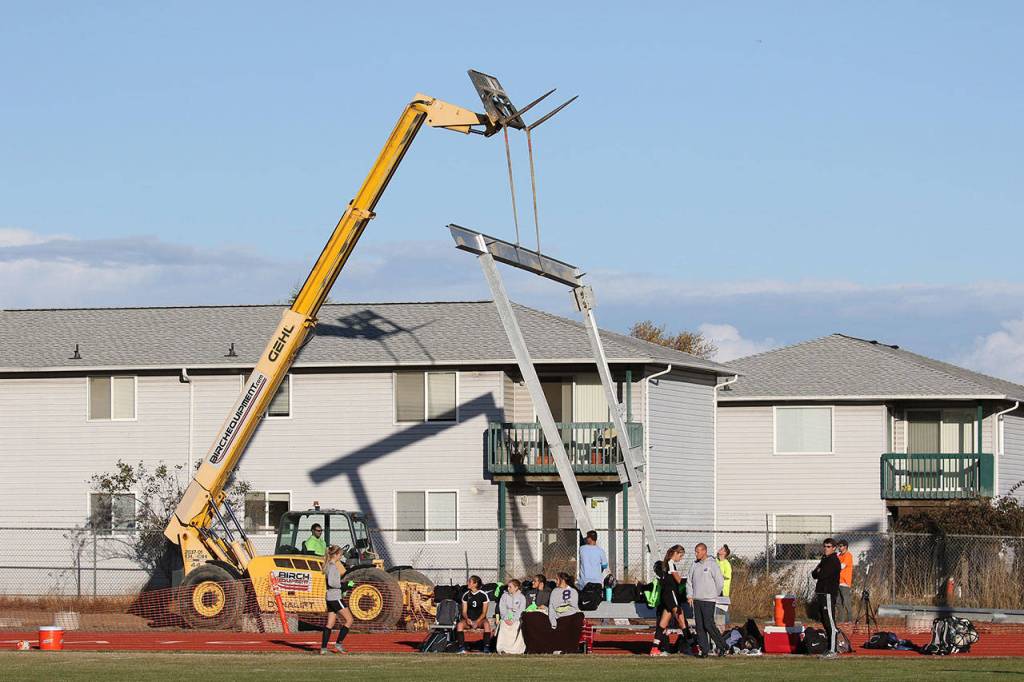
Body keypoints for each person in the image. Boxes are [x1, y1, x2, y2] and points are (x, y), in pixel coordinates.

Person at [686, 543, 728, 658]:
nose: (696, 554)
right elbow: (689, 581)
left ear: (704, 551)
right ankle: (704, 651)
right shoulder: (694, 565)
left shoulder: (712, 564)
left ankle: (722, 646)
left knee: (708, 624)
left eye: (698, 551)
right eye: (695, 551)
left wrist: (714, 594)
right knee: (699, 626)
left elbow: (719, 582)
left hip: (709, 600)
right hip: (697, 599)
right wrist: (690, 595)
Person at [650, 544, 688, 656]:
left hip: (666, 597)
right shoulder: (670, 564)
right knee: (681, 620)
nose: (680, 559)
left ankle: (654, 648)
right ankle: (693, 646)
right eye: (680, 556)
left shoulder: (666, 564)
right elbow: (679, 580)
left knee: (663, 623)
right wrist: (691, 579)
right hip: (671, 596)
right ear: (675, 553)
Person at [811, 537, 842, 659]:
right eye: (824, 546)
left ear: (834, 548)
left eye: (828, 546)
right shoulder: (825, 559)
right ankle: (829, 647)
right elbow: (814, 574)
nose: (826, 548)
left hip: (828, 593)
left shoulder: (833, 560)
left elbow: (822, 574)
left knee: (830, 622)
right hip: (821, 593)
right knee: (824, 621)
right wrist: (818, 571)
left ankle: (833, 650)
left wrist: (819, 571)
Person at [319, 544, 353, 654]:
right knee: (349, 620)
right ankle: (338, 644)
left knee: (330, 624)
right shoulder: (333, 566)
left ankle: (323, 649)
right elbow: (332, 583)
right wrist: (346, 585)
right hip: (335, 597)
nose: (341, 557)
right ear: (336, 555)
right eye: (340, 555)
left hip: (330, 597)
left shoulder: (328, 565)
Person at [456, 575, 492, 653]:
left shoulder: (483, 595)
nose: (467, 583)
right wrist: (467, 619)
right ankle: (461, 648)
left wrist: (477, 622)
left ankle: (486, 648)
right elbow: (464, 612)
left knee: (486, 625)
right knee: (459, 625)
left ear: (475, 584)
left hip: (480, 620)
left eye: (469, 582)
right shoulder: (466, 595)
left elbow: (484, 613)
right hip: (469, 620)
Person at [496, 579, 527, 654]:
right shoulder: (504, 596)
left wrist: (513, 619)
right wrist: (506, 618)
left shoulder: (522, 597)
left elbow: (521, 610)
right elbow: (502, 608)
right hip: (506, 618)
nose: (508, 588)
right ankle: (502, 648)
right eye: (508, 587)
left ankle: (515, 650)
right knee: (503, 624)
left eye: (510, 587)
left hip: (517, 619)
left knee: (517, 625)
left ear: (516, 588)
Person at [835, 539, 854, 623]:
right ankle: (840, 620)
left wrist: (834, 566)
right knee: (839, 602)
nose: (839, 547)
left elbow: (842, 566)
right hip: (838, 581)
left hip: (845, 582)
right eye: (839, 546)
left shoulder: (848, 555)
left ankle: (850, 620)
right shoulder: (839, 556)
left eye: (840, 546)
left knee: (846, 602)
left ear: (845, 547)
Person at [715, 545, 733, 627]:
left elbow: (727, 576)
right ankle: (718, 625)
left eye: (722, 549)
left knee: (722, 609)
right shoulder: (715, 561)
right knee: (716, 608)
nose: (720, 549)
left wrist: (717, 575)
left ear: (725, 553)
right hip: (714, 589)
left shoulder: (726, 564)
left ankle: (727, 627)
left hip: (723, 590)